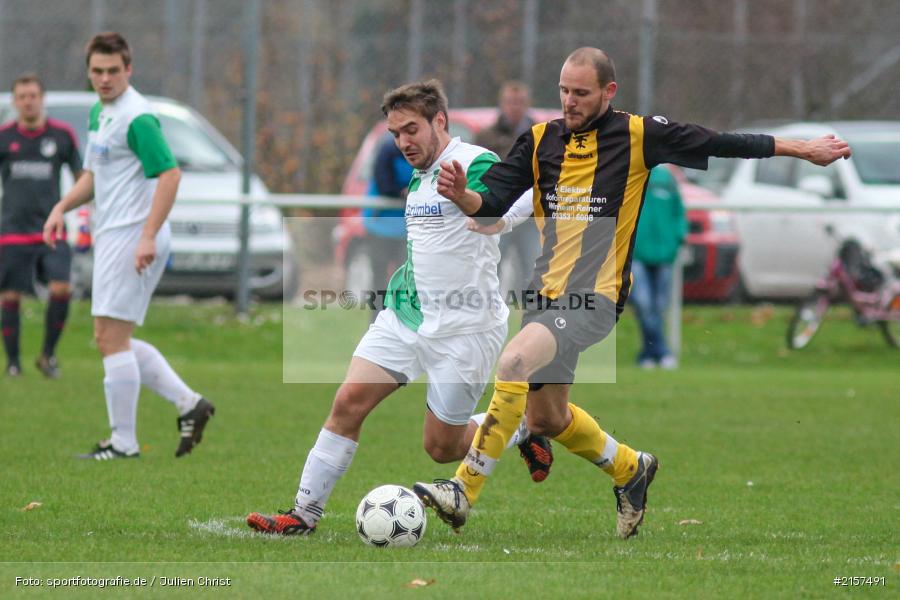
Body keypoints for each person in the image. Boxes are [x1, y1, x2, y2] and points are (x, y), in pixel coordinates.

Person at [413, 46, 851, 539]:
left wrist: (802, 149)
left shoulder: (640, 135)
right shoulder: (538, 140)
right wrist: (462, 196)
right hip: (543, 296)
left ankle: (461, 490)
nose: (570, 102)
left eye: (581, 93)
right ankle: (630, 468)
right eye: (563, 92)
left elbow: (724, 141)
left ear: (608, 91)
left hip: (596, 295)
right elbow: (489, 207)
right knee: (547, 417)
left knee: (513, 364)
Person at [246, 79, 541, 536]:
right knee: (347, 401)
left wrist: (481, 209)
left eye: (411, 129)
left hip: (466, 328)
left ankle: (520, 427)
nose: (403, 141)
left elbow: (522, 198)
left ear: (439, 121)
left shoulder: (474, 161)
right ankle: (303, 514)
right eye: (395, 133)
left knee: (441, 447)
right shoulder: (418, 170)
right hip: (404, 314)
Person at [42, 32, 214, 460]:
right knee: (110, 337)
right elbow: (94, 177)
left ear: (128, 70)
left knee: (111, 339)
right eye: (97, 71)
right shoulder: (103, 113)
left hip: (133, 235)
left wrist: (148, 235)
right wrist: (61, 206)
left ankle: (123, 444)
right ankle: (189, 403)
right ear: (89, 71)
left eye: (113, 71)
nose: (104, 79)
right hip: (115, 235)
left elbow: (170, 175)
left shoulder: (138, 117)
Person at [0, 74, 81, 378]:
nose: (28, 101)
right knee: (9, 297)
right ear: (15, 101)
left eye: (33, 95)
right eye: (22, 96)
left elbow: (81, 176)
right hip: (12, 230)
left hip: (52, 230)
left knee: (61, 288)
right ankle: (13, 363)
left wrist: (85, 214)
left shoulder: (62, 136)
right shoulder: (4, 137)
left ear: (42, 98)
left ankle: (47, 355)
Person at [475, 81, 542, 297]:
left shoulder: (541, 135)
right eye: (511, 102)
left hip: (530, 215)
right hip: (497, 214)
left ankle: (535, 322)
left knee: (534, 270)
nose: (515, 107)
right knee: (491, 268)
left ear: (527, 104)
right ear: (502, 104)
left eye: (520, 102)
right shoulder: (487, 136)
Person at [631, 166, 687, 369]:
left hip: (664, 253)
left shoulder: (665, 178)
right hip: (636, 252)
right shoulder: (630, 173)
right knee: (644, 304)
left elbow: (678, 211)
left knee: (659, 306)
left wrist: (677, 238)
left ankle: (648, 353)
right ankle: (662, 351)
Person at [361, 133, 412, 320]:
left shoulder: (426, 152)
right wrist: (404, 192)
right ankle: (376, 322)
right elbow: (384, 184)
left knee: (405, 280)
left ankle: (400, 321)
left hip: (408, 228)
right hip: (380, 225)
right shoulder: (386, 149)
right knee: (380, 278)